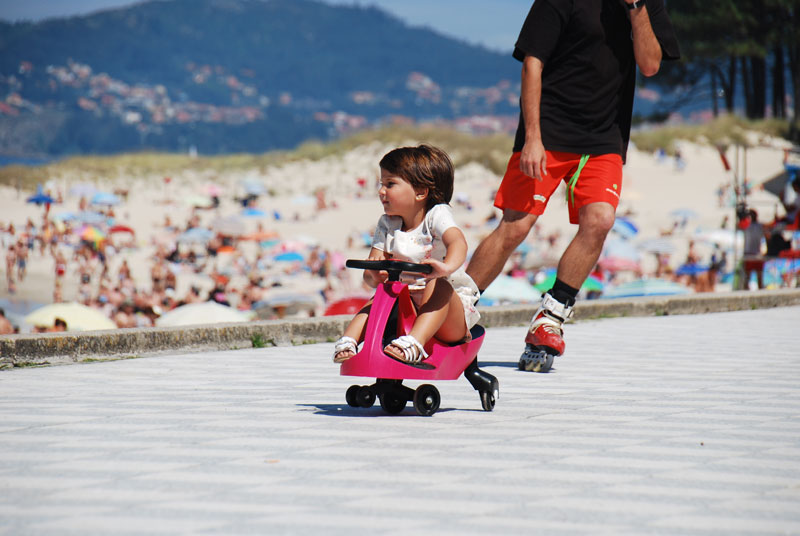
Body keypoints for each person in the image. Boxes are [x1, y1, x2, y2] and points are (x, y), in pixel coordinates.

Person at [465, 0, 679, 366]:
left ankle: (551, 316)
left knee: (600, 221)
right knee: (515, 227)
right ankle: (457, 306)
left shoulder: (644, 4)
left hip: (603, 139)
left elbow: (650, 64)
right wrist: (533, 136)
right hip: (548, 132)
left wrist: (636, 9)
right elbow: (533, 62)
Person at [332, 145, 480, 364]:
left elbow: (457, 241)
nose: (381, 191)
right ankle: (349, 341)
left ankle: (414, 343)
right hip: (405, 302)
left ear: (420, 192)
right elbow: (372, 266)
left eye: (390, 184)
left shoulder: (436, 216)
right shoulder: (387, 223)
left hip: (446, 311)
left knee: (437, 285)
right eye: (382, 184)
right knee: (379, 296)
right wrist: (375, 274)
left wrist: (446, 267)